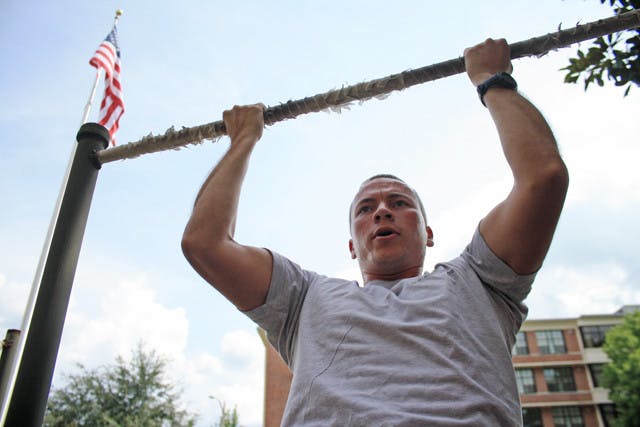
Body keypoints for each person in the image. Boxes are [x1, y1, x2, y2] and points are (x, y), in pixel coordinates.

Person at [182, 38, 569, 426]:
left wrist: (491, 79)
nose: (382, 211)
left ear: (428, 232)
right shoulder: (302, 299)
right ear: (352, 246)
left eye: (400, 203)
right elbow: (206, 243)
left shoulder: (481, 280)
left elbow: (543, 176)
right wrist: (244, 141)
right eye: (365, 209)